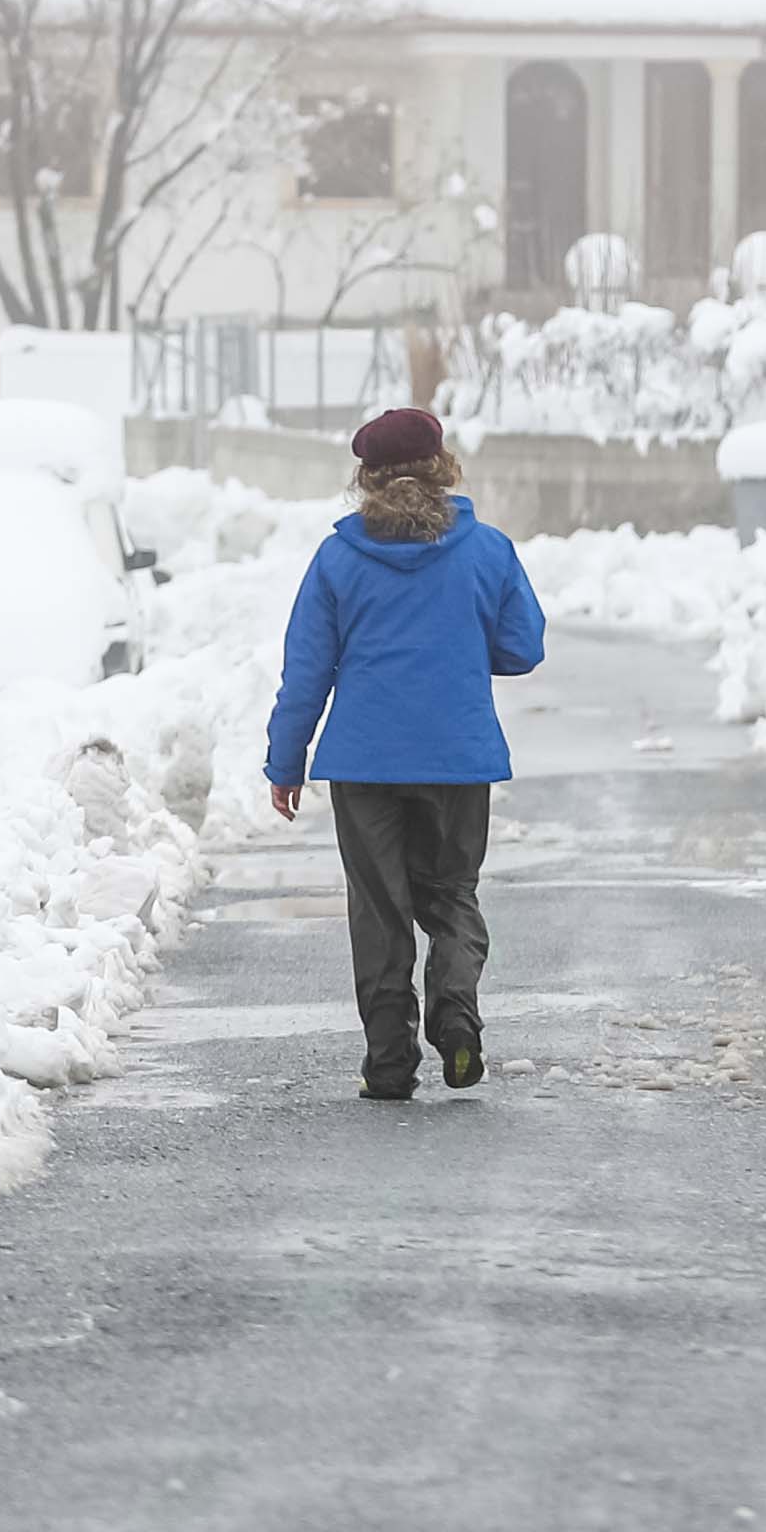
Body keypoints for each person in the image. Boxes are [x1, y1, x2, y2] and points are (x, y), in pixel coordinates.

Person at [264, 406, 545, 1100]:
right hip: (458, 758)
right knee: (451, 894)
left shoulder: (337, 558)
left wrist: (285, 761)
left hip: (363, 765)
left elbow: (306, 672)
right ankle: (456, 1024)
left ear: (365, 477)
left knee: (380, 910)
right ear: (443, 466)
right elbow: (523, 646)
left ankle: (388, 1063)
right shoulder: (487, 550)